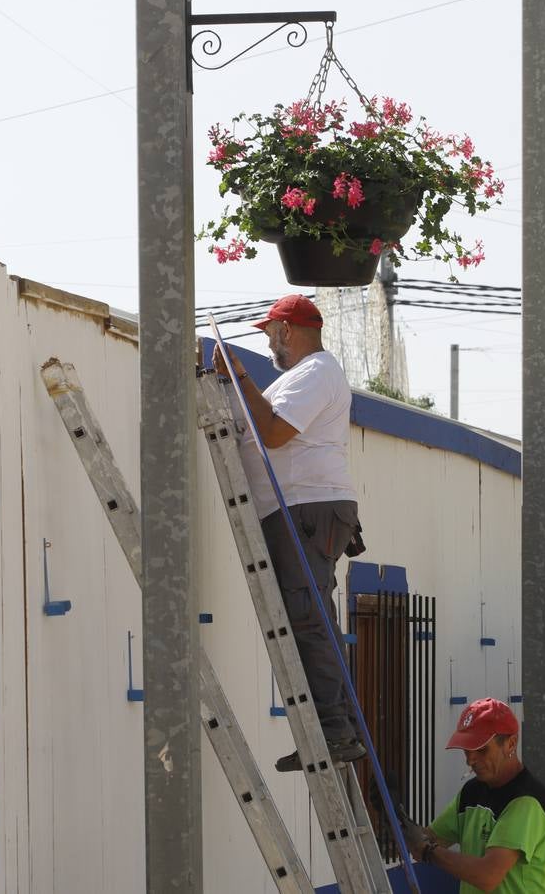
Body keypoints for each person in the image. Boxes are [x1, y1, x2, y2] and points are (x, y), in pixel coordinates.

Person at [211, 293, 366, 772]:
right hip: (299, 510)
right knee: (309, 617)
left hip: (306, 509)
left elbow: (275, 434)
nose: (267, 341)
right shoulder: (298, 378)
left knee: (306, 618)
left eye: (269, 332)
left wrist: (239, 379)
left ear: (288, 330)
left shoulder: (317, 372)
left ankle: (335, 733)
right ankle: (336, 729)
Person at [400, 698, 545, 894]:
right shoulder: (471, 793)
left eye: (481, 750)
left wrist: (427, 850)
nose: (471, 760)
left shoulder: (527, 802)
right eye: (467, 750)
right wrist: (398, 820)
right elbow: (428, 840)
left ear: (511, 744)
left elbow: (488, 876)